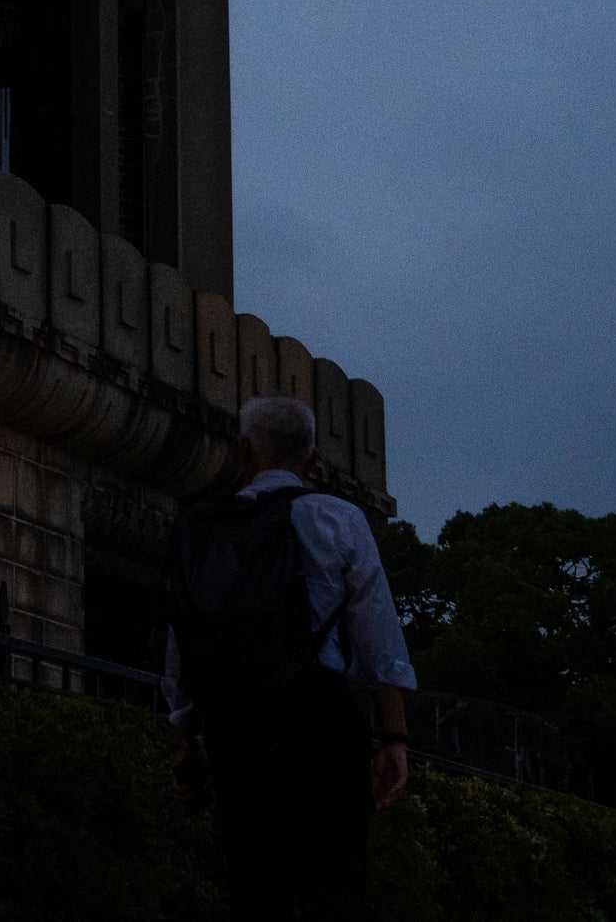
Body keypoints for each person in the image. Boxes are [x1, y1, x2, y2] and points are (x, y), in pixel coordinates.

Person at [162, 392, 418, 921]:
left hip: (236, 729)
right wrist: (394, 739)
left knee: (253, 888)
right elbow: (379, 642)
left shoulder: (202, 530)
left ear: (241, 452)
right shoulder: (340, 521)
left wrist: (189, 742)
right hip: (320, 724)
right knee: (333, 885)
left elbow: (184, 644)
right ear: (314, 463)